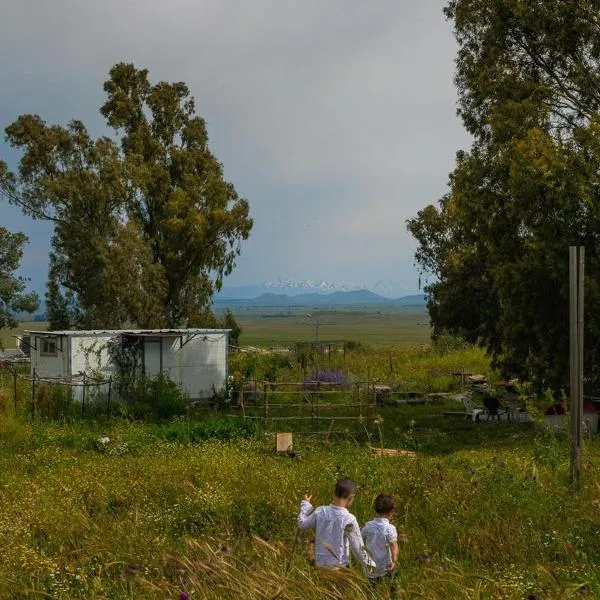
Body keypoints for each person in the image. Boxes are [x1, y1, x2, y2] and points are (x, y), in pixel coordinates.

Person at [297, 478, 375, 573]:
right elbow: (357, 548)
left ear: (333, 493)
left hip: (320, 566)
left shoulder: (320, 511)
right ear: (351, 498)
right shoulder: (349, 519)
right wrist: (371, 564)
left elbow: (302, 523)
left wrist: (306, 505)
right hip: (340, 568)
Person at [361, 494, 399, 584]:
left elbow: (360, 539)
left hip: (371, 565)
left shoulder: (368, 526)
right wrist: (394, 561)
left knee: (371, 589)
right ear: (391, 512)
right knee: (392, 587)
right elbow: (394, 546)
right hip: (386, 565)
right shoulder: (390, 528)